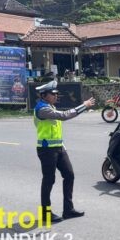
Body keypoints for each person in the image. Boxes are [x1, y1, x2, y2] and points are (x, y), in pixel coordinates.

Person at [34, 80, 96, 223]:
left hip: (59, 147)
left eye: (56, 93)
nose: (56, 96)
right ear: (44, 95)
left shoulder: (51, 106)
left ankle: (68, 210)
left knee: (69, 175)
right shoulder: (42, 109)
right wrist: (84, 106)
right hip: (46, 150)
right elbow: (64, 116)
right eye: (53, 94)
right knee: (49, 180)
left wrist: (62, 146)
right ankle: (45, 213)